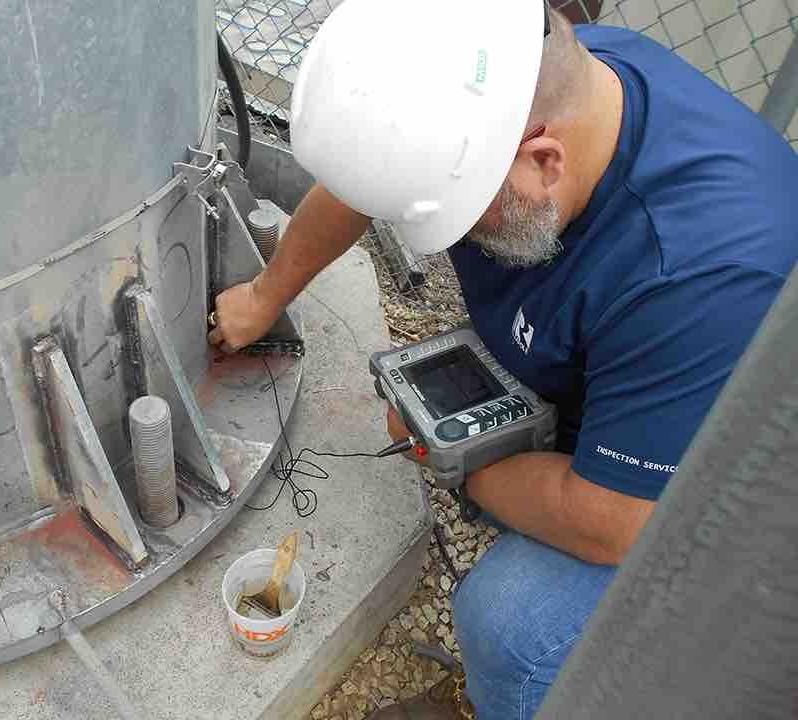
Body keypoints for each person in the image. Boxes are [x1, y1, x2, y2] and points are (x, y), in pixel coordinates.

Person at [207, 2, 798, 719]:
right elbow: (370, 186)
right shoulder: (544, 85)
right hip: (650, 383)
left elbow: (614, 522)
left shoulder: (699, 279)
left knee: (512, 624)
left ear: (543, 161)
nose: (450, 239)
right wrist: (266, 295)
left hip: (742, 516)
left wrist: (455, 456)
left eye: (461, 215)